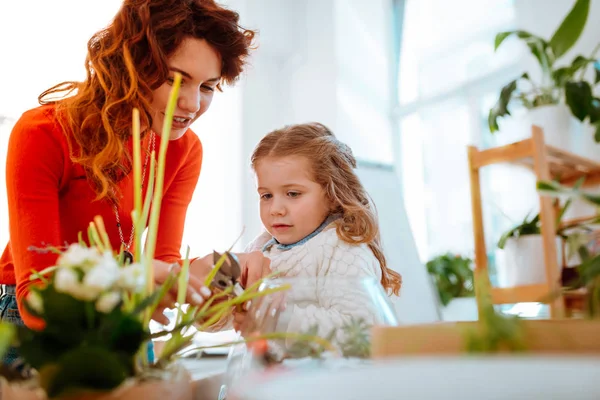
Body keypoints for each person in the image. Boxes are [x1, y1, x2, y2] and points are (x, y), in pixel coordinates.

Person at [0, 0, 270, 365]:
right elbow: (36, 299)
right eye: (176, 80)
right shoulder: (43, 133)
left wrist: (220, 281)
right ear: (132, 66)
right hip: (29, 314)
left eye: (208, 86)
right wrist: (142, 278)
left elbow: (162, 265)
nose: (191, 105)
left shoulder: (183, 149)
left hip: (120, 306)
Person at [233, 122, 402, 346]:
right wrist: (213, 306)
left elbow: (359, 332)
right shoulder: (261, 247)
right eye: (266, 196)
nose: (276, 209)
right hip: (273, 379)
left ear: (332, 194)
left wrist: (277, 320)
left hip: (325, 381)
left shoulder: (343, 249)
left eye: (292, 193)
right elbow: (231, 317)